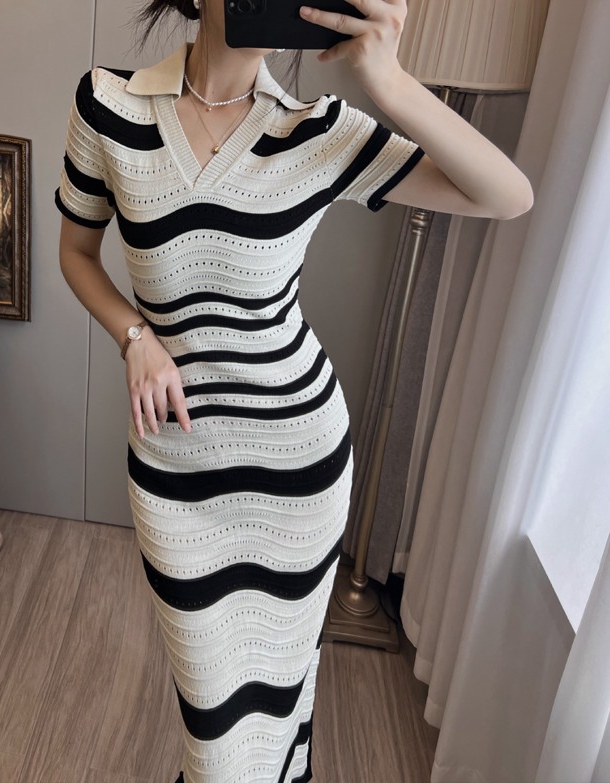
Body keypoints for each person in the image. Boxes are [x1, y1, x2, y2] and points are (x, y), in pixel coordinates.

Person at [56, 1, 532, 780]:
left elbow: (507, 195)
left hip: (296, 470)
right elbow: (76, 250)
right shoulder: (108, 105)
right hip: (177, 473)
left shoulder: (319, 130)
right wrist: (134, 336)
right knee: (217, 735)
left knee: (274, 709)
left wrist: (388, 79)